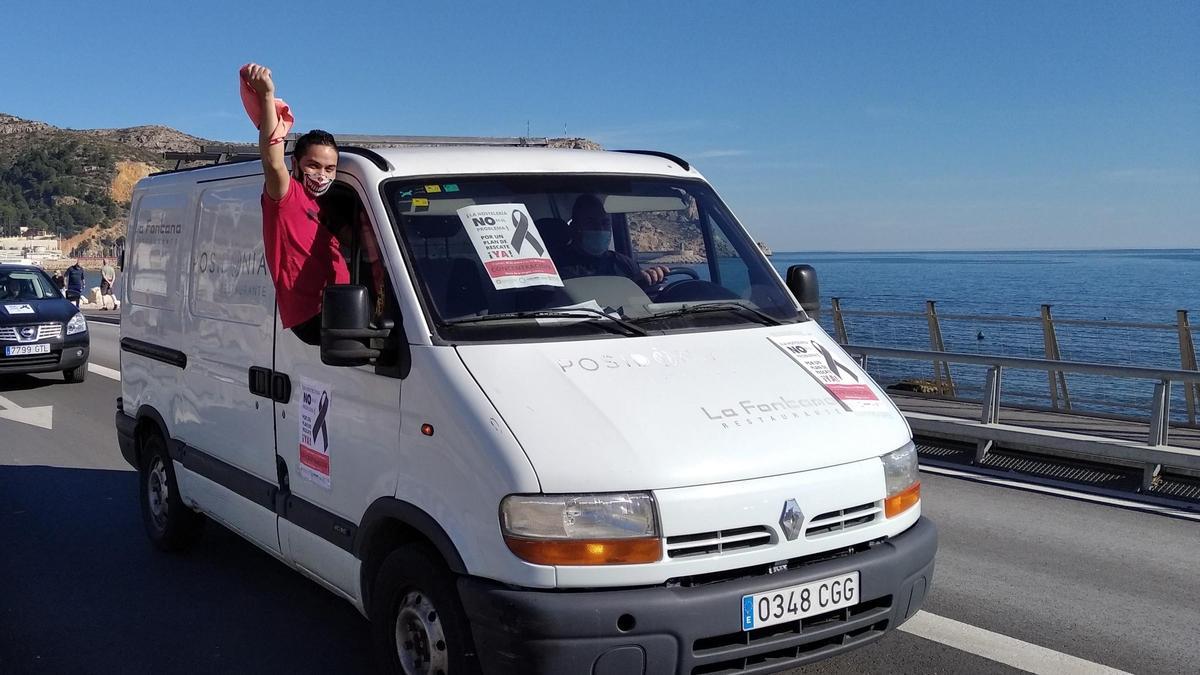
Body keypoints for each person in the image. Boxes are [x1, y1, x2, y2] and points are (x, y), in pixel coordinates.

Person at [242, 63, 349, 344]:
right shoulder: (287, 199)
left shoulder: (329, 208)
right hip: (316, 320)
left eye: (330, 168)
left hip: (342, 312)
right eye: (314, 165)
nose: (322, 174)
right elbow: (272, 161)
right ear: (296, 165)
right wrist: (267, 96)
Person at [556, 194, 669, 287]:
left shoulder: (623, 263)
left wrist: (651, 276)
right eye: (591, 223)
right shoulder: (558, 267)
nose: (600, 229)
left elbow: (641, 290)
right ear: (574, 228)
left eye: (605, 223)